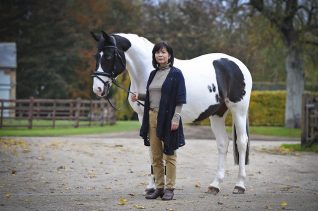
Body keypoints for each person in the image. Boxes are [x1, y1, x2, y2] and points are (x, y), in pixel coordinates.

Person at [131, 42, 186, 200]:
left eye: (163, 52)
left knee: (169, 154)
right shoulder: (152, 74)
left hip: (168, 118)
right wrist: (139, 96)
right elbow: (151, 96)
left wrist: (176, 118)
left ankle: (170, 188)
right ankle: (159, 187)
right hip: (152, 117)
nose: (160, 55)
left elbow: (179, 98)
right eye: (157, 53)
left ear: (169, 55)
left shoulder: (176, 74)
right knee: (155, 155)